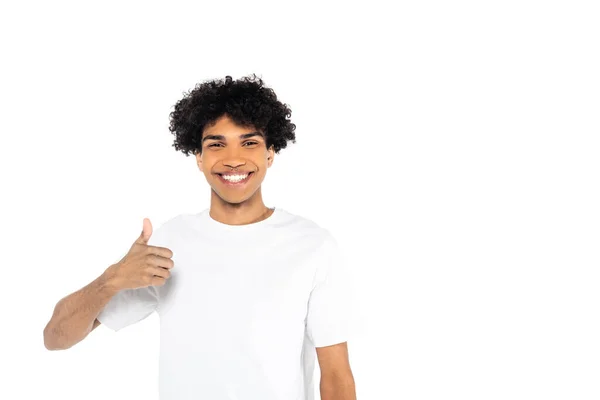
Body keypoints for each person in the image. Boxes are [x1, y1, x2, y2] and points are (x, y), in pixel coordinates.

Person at [43, 74, 356, 400]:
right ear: (198, 157)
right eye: (216, 144)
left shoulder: (312, 245)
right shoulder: (170, 242)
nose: (234, 158)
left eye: (249, 142)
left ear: (270, 153)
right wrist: (111, 279)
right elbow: (55, 337)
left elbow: (336, 378)